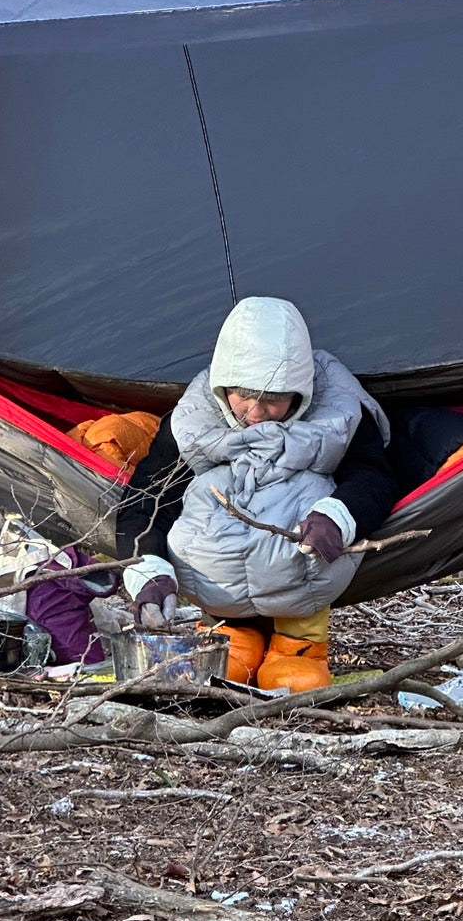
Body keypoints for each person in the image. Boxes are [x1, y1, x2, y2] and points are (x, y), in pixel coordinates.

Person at [116, 296, 398, 692]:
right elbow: (148, 499)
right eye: (242, 395)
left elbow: (375, 476)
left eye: (272, 399)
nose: (255, 412)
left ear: (300, 391)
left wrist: (339, 514)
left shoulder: (341, 414)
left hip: (304, 569)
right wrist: (149, 569)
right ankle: (232, 637)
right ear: (222, 385)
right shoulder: (192, 421)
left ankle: (296, 648)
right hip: (216, 588)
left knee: (296, 679)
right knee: (219, 669)